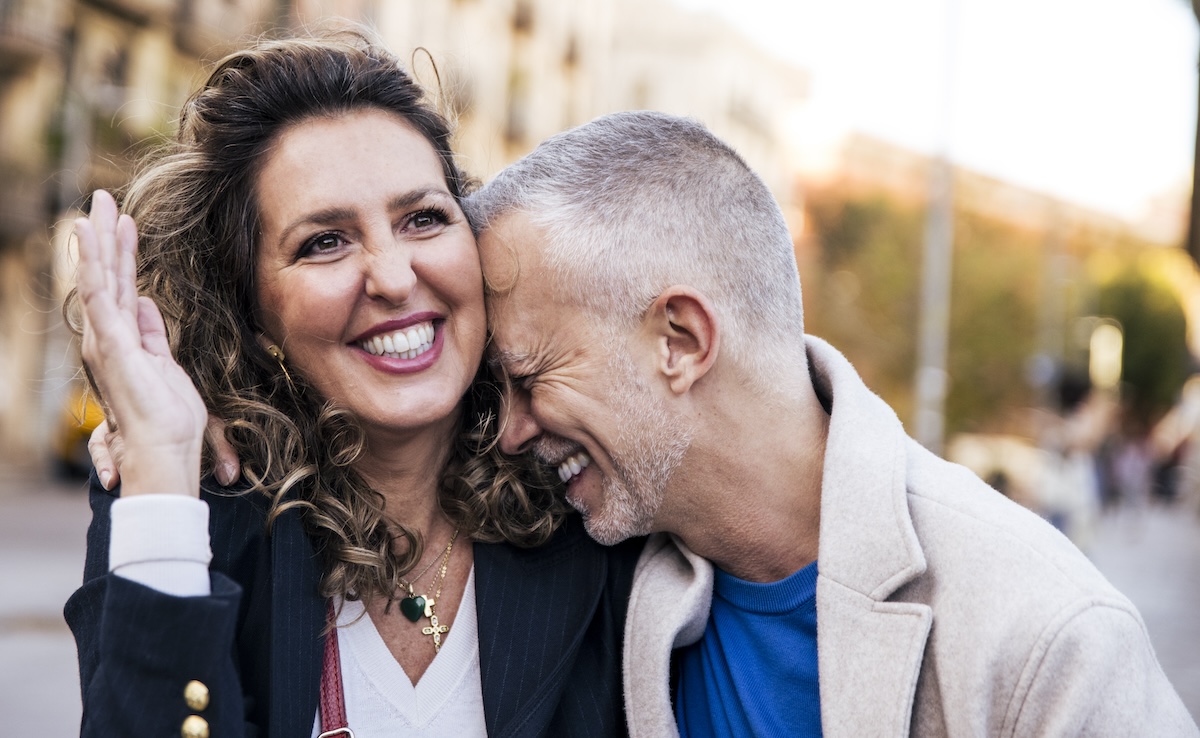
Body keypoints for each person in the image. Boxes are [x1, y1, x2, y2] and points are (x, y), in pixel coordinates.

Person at [463, 111, 1200, 736]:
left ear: (681, 341)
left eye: (529, 377)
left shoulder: (1047, 634)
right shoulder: (598, 583)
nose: (513, 432)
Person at [66, 31, 641, 738]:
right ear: (252, 312)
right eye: (324, 242)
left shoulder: (592, 487)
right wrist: (159, 457)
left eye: (424, 219)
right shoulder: (191, 506)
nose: (395, 278)